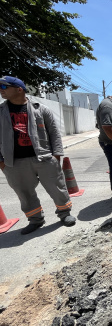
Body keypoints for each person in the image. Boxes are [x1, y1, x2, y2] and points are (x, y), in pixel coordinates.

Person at [0, 76, 76, 234]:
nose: (1, 90)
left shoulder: (40, 109)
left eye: (4, 87)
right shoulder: (0, 112)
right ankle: (35, 219)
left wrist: (56, 156)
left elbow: (54, 133)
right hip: (14, 162)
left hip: (44, 158)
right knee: (24, 193)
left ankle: (64, 214)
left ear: (19, 89)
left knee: (57, 188)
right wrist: (1, 162)